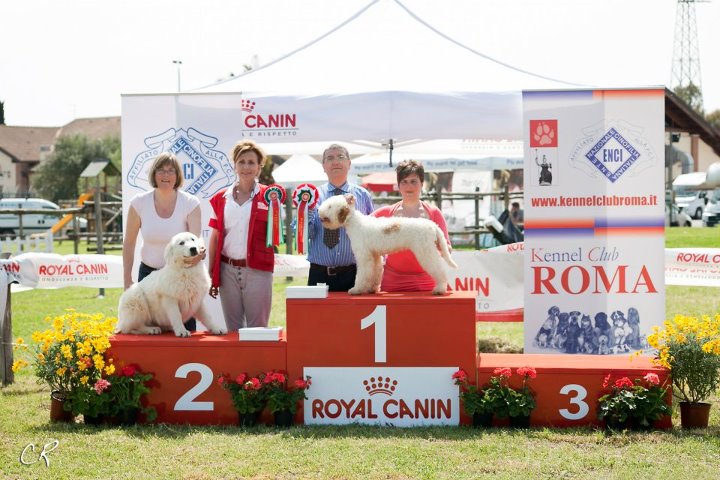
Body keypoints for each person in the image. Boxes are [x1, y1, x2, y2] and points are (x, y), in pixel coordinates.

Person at [122, 152, 203, 331]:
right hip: (148, 279)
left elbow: (196, 241)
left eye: (170, 170)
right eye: (161, 170)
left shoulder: (190, 202)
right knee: (151, 334)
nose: (166, 175)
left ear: (177, 175)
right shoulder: (138, 203)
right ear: (154, 174)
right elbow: (129, 243)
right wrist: (127, 278)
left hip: (181, 278)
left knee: (185, 334)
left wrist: (199, 255)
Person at [207, 140, 274, 330]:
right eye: (241, 162)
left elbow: (276, 235)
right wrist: (212, 271)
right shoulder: (221, 198)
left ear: (259, 167)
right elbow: (215, 237)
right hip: (227, 271)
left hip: (258, 271)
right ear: (234, 165)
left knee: (257, 330)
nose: (246, 167)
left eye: (251, 162)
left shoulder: (270, 197)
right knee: (233, 330)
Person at [371, 159, 451, 292]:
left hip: (428, 283)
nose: (409, 186)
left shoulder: (434, 213)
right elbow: (362, 227)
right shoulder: (385, 213)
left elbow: (447, 248)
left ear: (422, 184)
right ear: (398, 185)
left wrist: (441, 247)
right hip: (392, 284)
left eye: (414, 181)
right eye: (404, 181)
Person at [307, 144, 374, 291]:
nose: (335, 162)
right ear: (323, 166)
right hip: (319, 274)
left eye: (340, 157)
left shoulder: (363, 196)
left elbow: (373, 234)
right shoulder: (311, 196)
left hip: (355, 274)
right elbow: (307, 235)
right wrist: (309, 212)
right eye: (330, 158)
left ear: (349, 164)